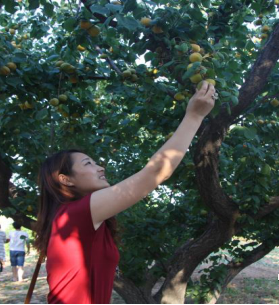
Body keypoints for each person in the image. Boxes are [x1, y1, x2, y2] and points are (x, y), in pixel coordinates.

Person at [34, 81, 216, 303]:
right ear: (65, 179)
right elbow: (155, 172)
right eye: (88, 164)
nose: (100, 167)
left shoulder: (76, 217)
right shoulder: (75, 214)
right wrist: (194, 116)